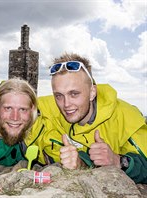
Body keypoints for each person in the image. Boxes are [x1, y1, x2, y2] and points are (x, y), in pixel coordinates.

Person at [38, 52, 147, 184]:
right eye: (59, 96)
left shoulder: (126, 117)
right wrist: (82, 163)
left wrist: (118, 161)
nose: (66, 105)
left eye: (74, 94)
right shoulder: (51, 110)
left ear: (92, 93)